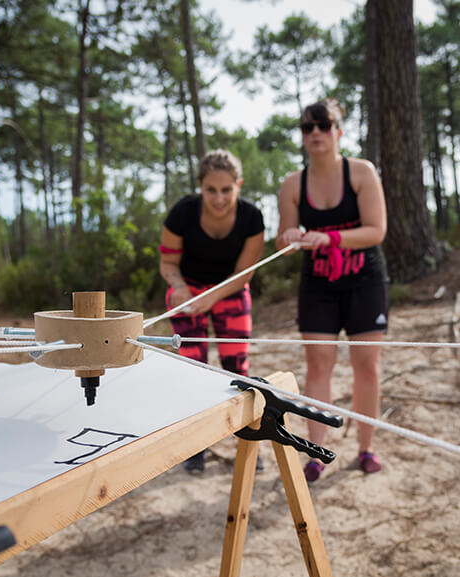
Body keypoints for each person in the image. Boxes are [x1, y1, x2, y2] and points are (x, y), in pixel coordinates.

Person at [276, 98, 388, 482]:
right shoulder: (292, 184)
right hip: (318, 286)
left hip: (365, 282)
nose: (316, 133)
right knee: (319, 364)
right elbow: (283, 240)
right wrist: (291, 236)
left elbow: (376, 231)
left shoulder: (361, 172)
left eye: (324, 125)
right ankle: (315, 453)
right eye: (308, 127)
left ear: (339, 130)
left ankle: (366, 449)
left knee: (366, 366)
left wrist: (329, 237)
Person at [159, 148, 265, 474]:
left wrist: (213, 297)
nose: (219, 198)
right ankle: (196, 446)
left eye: (226, 190)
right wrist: (179, 288)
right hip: (187, 289)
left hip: (231, 289)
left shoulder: (251, 217)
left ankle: (248, 443)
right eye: (210, 190)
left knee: (237, 365)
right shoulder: (182, 213)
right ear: (200, 187)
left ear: (239, 185)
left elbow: (244, 275)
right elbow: (167, 263)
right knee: (194, 368)